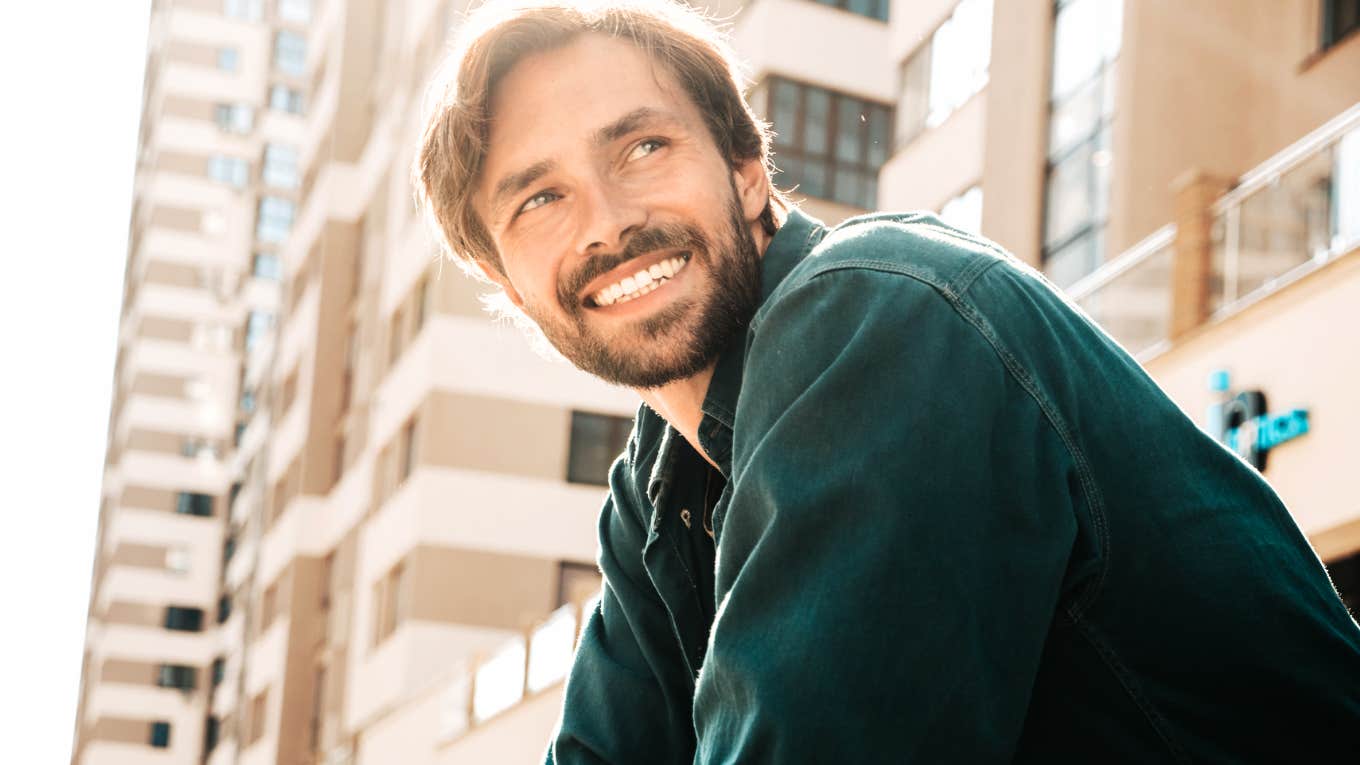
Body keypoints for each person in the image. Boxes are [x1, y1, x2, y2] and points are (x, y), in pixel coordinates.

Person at [414, 1, 1360, 761]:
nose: (607, 223)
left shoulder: (878, 319)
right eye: (540, 198)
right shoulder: (660, 485)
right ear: (506, 284)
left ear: (746, 169)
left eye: (643, 148)